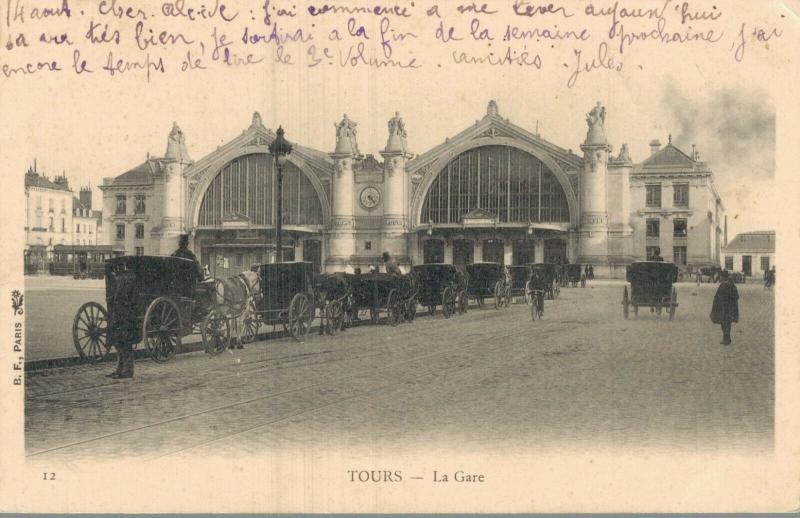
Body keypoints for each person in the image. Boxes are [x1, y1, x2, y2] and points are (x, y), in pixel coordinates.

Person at [710, 270, 739, 345]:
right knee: (728, 323)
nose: (720, 278)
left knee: (724, 324)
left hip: (724, 308)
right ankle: (727, 339)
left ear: (723, 277)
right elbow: (737, 296)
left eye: (720, 277)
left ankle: (726, 339)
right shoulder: (732, 285)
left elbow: (717, 297)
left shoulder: (723, 285)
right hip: (730, 308)